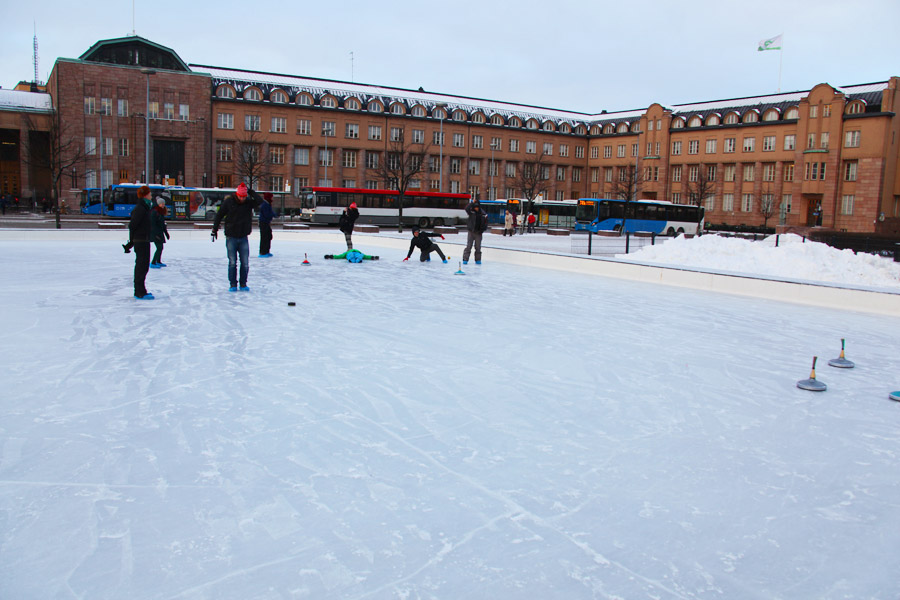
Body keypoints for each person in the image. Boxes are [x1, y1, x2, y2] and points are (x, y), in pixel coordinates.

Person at [211, 182, 262, 291]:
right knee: (232, 262)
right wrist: (215, 229)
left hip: (243, 236)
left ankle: (243, 284)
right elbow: (219, 215)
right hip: (231, 237)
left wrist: (251, 192)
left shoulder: (248, 202)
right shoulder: (229, 202)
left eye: (244, 196)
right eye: (240, 196)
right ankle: (233, 284)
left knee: (245, 263)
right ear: (237, 194)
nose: (242, 198)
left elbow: (260, 202)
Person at [127, 185, 154, 299]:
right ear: (145, 195)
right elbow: (132, 225)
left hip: (144, 240)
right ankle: (139, 291)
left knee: (144, 266)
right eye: (150, 193)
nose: (151, 195)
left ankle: (141, 290)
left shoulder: (144, 207)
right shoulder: (140, 208)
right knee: (141, 266)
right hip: (141, 240)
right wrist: (131, 241)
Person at [463, 199, 488, 265]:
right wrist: (472, 203)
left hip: (478, 233)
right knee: (469, 246)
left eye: (477, 207)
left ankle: (478, 260)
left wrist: (482, 230)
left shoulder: (483, 214)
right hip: (471, 231)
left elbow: (485, 223)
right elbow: (466, 209)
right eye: (475, 207)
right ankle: (465, 259)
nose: (476, 208)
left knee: (478, 247)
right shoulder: (471, 212)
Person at [150, 198, 170, 268]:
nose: (163, 205)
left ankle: (158, 261)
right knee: (159, 248)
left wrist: (166, 233)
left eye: (164, 204)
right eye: (162, 204)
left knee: (161, 248)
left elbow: (162, 224)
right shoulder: (155, 212)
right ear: (158, 204)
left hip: (159, 233)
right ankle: (153, 262)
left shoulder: (160, 212)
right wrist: (155, 235)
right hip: (155, 233)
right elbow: (153, 224)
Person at [258, 192, 276, 257]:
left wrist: (274, 214)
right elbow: (267, 214)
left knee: (268, 236)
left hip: (266, 223)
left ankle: (266, 251)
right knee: (264, 237)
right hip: (264, 223)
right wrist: (273, 215)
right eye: (271, 197)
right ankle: (263, 252)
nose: (272, 198)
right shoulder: (265, 204)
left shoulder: (267, 204)